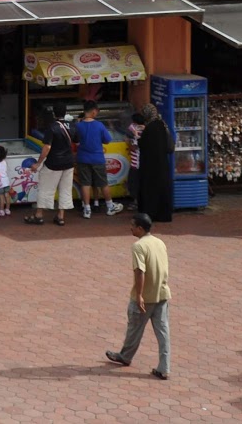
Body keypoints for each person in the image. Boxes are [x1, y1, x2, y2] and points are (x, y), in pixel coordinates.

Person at [104, 212, 172, 380]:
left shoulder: (138, 246)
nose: (130, 228)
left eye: (133, 225)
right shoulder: (159, 242)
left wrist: (140, 295)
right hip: (162, 293)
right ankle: (164, 367)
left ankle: (126, 356)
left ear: (140, 228)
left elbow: (140, 271)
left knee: (134, 328)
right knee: (163, 332)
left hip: (145, 296)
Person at [26, 105, 75, 226]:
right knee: (65, 189)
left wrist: (38, 163)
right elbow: (77, 143)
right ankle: (61, 216)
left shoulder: (52, 128)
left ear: (54, 114)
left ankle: (39, 215)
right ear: (65, 113)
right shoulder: (73, 127)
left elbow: (47, 147)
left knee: (46, 188)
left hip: (53, 163)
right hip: (68, 163)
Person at [73, 101, 122, 218]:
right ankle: (110, 206)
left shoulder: (78, 126)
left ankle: (87, 209)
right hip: (97, 159)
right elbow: (107, 140)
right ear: (94, 111)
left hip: (82, 158)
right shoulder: (99, 125)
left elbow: (75, 140)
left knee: (85, 184)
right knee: (103, 183)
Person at [134, 105, 175, 223]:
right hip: (162, 164)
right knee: (162, 188)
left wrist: (139, 138)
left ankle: (150, 213)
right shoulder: (162, 125)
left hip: (150, 166)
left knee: (150, 189)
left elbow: (144, 145)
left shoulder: (150, 128)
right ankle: (163, 214)